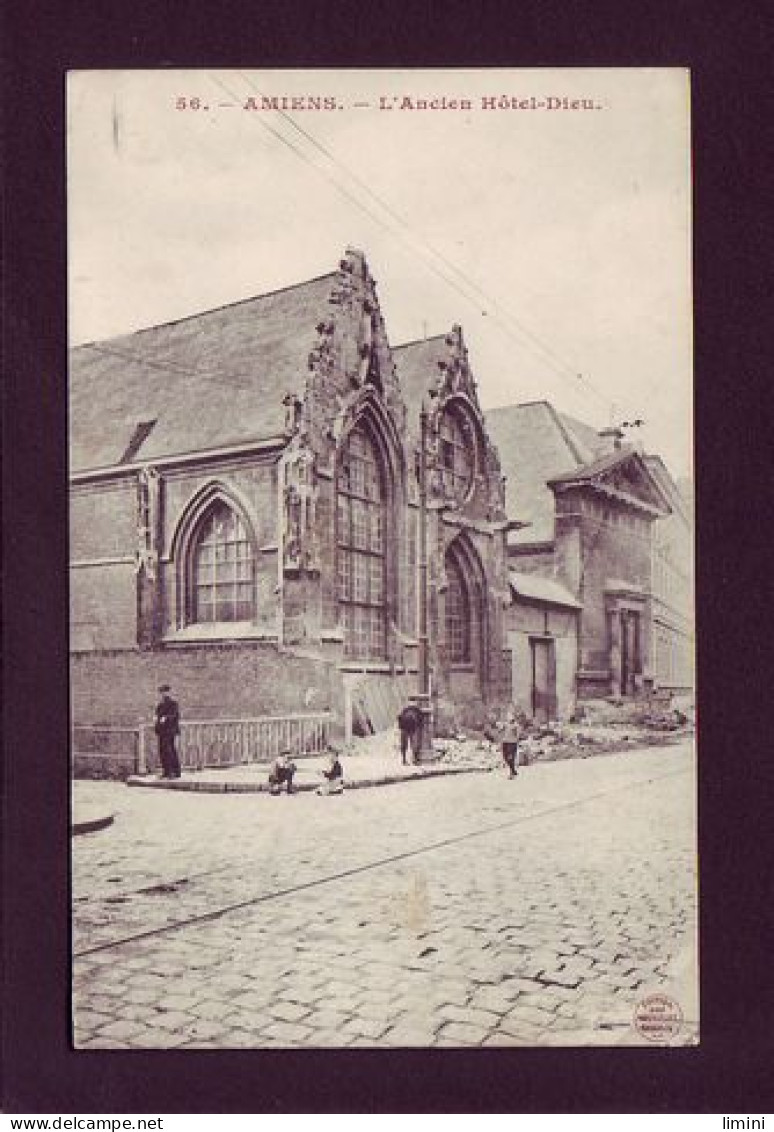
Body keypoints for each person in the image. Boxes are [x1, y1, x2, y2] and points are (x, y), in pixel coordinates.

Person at [154, 684, 181, 779]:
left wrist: (165, 718)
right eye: (161, 692)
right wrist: (157, 722)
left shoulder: (173, 704)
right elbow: (157, 716)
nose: (163, 694)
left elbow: (174, 716)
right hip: (162, 731)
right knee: (162, 751)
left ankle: (174, 772)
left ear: (168, 692)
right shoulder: (160, 705)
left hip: (170, 731)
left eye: (165, 692)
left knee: (170, 750)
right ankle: (166, 771)